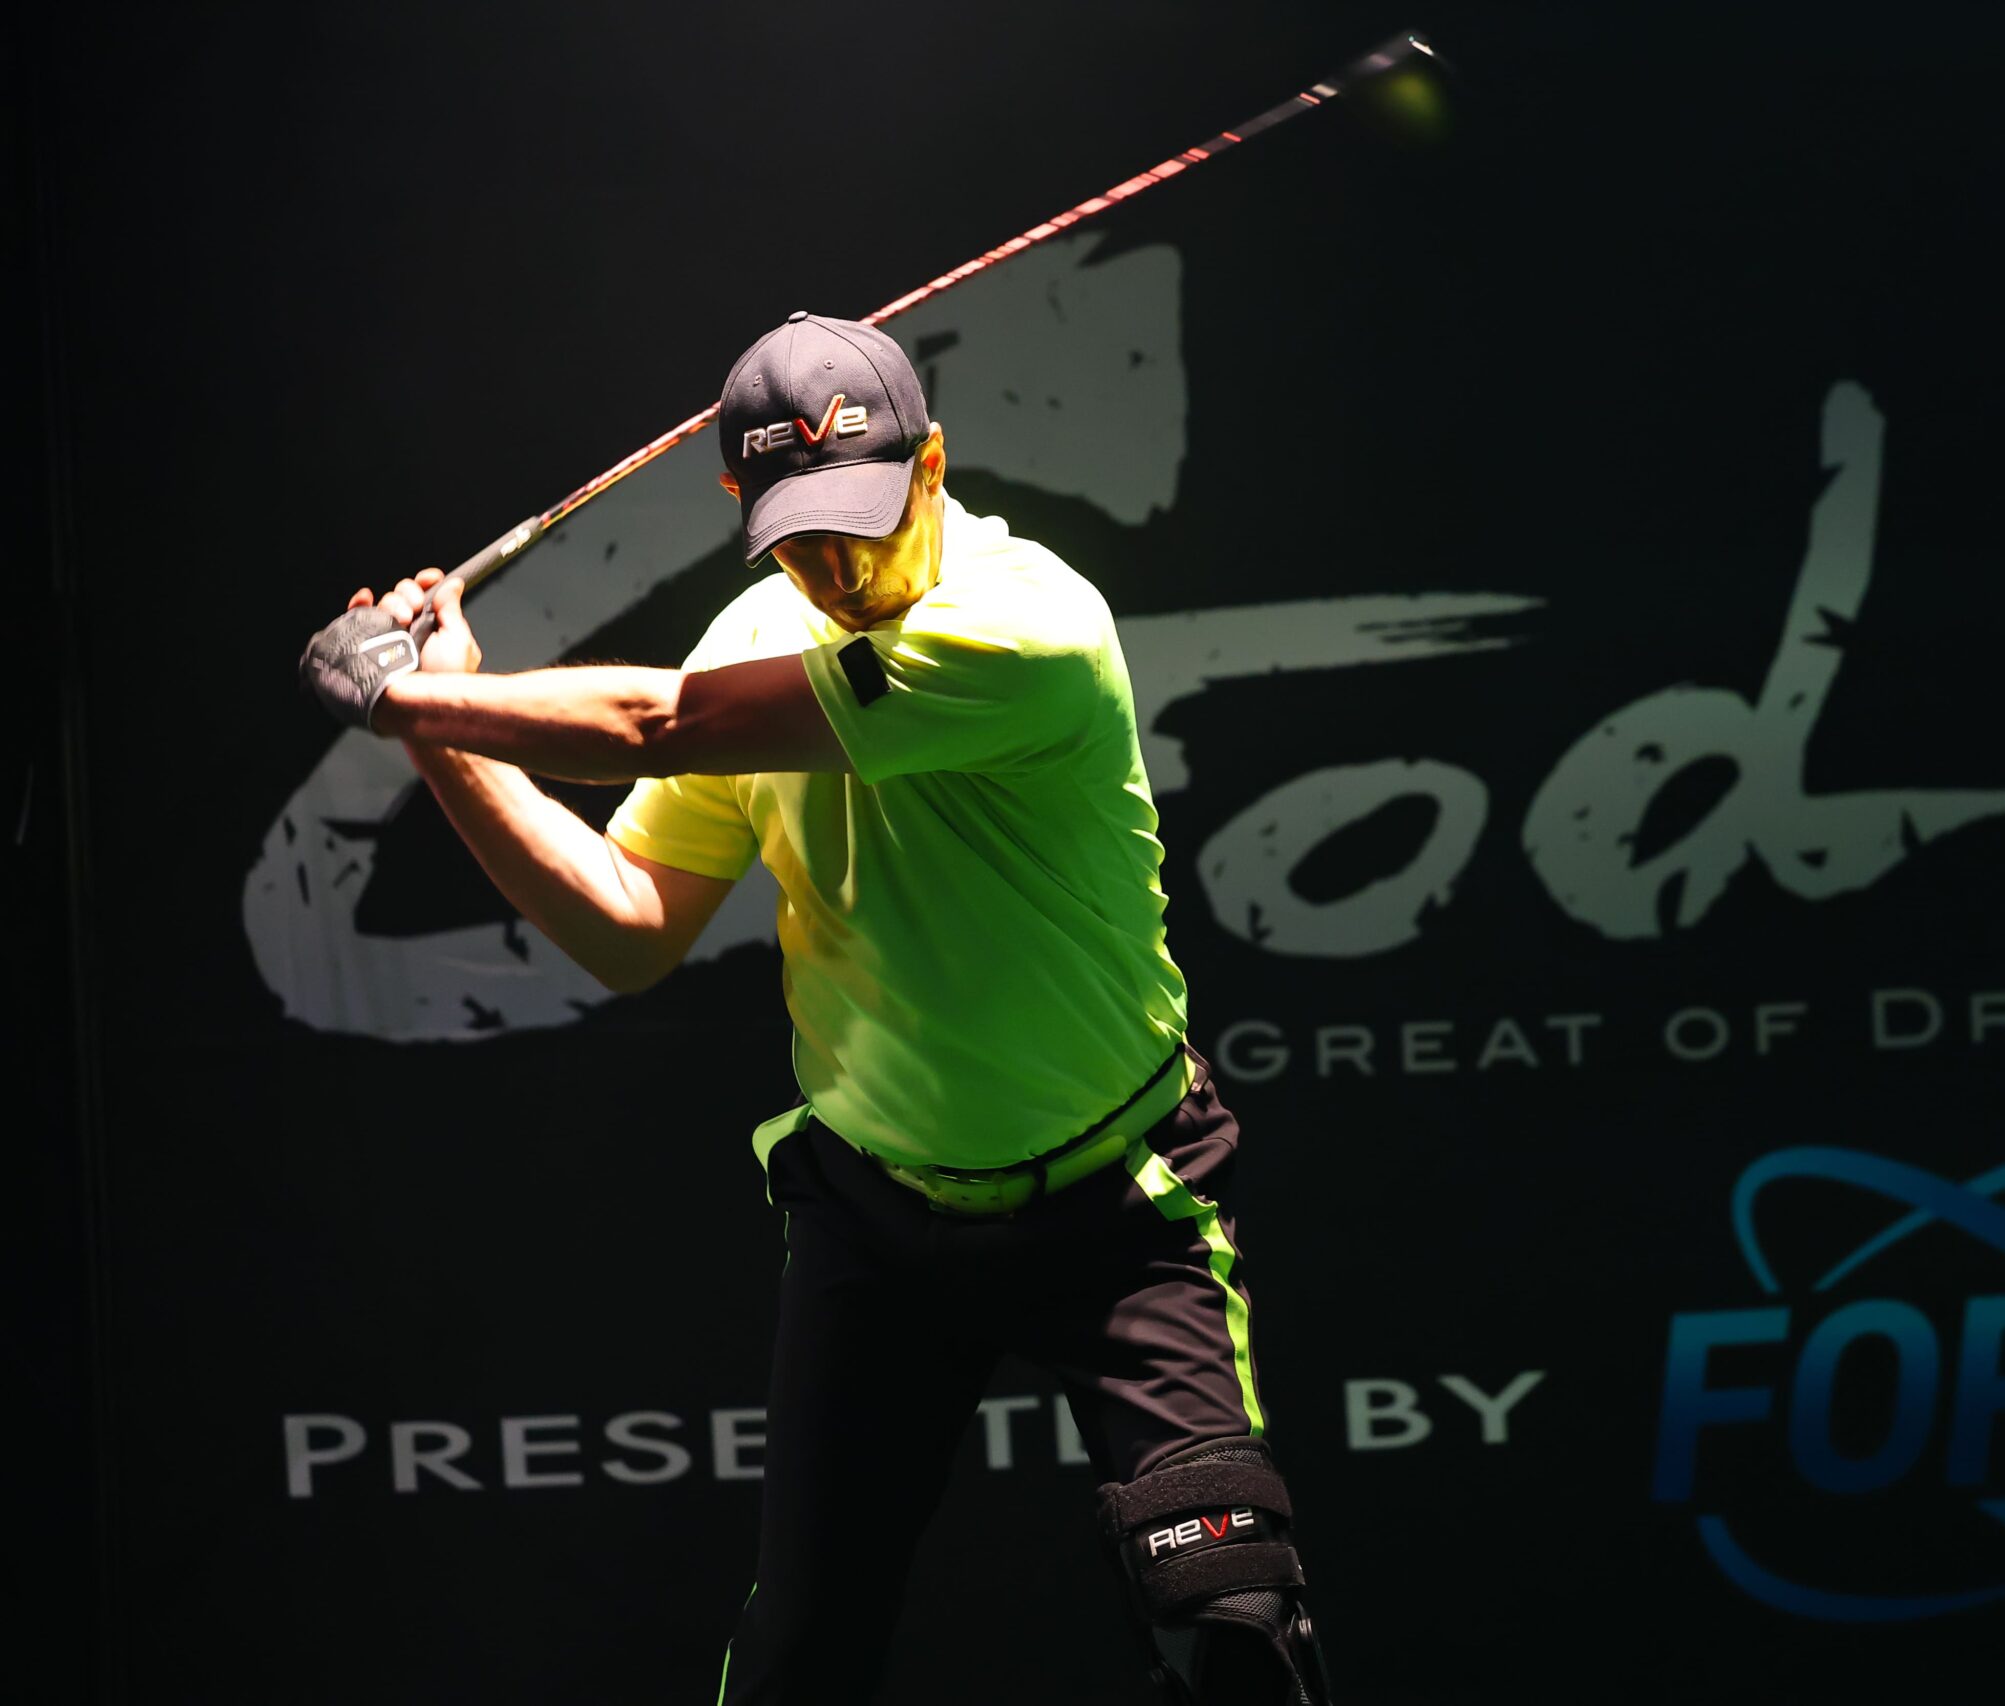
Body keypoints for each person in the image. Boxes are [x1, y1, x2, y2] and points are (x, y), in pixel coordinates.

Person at [300, 311, 1335, 1705]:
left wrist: (414, 706)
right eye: (798, 537)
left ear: (933, 463)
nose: (838, 570)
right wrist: (442, 729)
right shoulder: (756, 638)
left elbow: (656, 726)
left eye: (863, 521)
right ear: (743, 505)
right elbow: (628, 927)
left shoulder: (1028, 623)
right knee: (800, 1656)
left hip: (1122, 1206)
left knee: (1235, 1628)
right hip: (881, 1220)